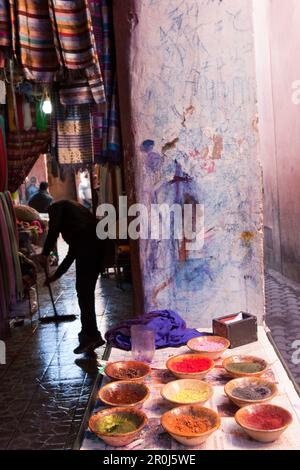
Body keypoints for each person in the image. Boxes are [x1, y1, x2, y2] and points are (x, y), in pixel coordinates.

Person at [40, 200, 106, 354]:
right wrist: (56, 275)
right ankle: (91, 335)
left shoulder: (57, 209)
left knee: (84, 294)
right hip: (98, 249)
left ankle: (91, 336)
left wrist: (45, 252)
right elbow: (72, 253)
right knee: (85, 294)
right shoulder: (76, 219)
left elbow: (53, 231)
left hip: (90, 251)